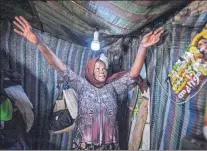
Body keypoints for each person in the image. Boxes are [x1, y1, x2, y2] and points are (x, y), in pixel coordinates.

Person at [13, 16, 164, 150]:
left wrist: (142, 47)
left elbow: (133, 74)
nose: (102, 70)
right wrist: (39, 42)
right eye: (97, 68)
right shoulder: (82, 86)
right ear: (90, 71)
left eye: (104, 68)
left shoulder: (113, 88)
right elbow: (58, 65)